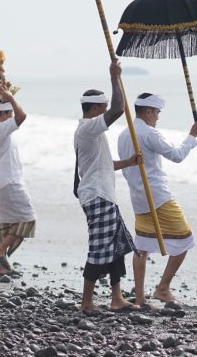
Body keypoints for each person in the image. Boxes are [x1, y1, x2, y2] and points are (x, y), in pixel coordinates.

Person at [117, 92, 197, 306]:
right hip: (158, 196)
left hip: (138, 196)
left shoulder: (124, 133)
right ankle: (163, 288)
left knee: (142, 246)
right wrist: (192, 136)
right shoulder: (149, 133)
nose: (158, 117)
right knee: (186, 239)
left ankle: (140, 297)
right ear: (148, 112)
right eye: (157, 112)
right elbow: (177, 156)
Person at [75, 61, 141, 312]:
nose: (105, 112)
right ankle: (86, 302)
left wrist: (130, 162)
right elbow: (118, 109)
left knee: (117, 246)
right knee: (99, 248)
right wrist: (115, 77)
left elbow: (104, 164)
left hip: (104, 194)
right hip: (97, 196)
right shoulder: (88, 128)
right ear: (95, 109)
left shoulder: (92, 131)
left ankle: (116, 298)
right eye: (102, 108)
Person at [0, 86, 34, 276]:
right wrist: (11, 98)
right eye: (10, 113)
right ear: (4, 114)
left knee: (6, 224)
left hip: (0, 181)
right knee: (27, 219)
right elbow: (22, 116)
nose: (12, 115)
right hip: (10, 182)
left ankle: (3, 267)